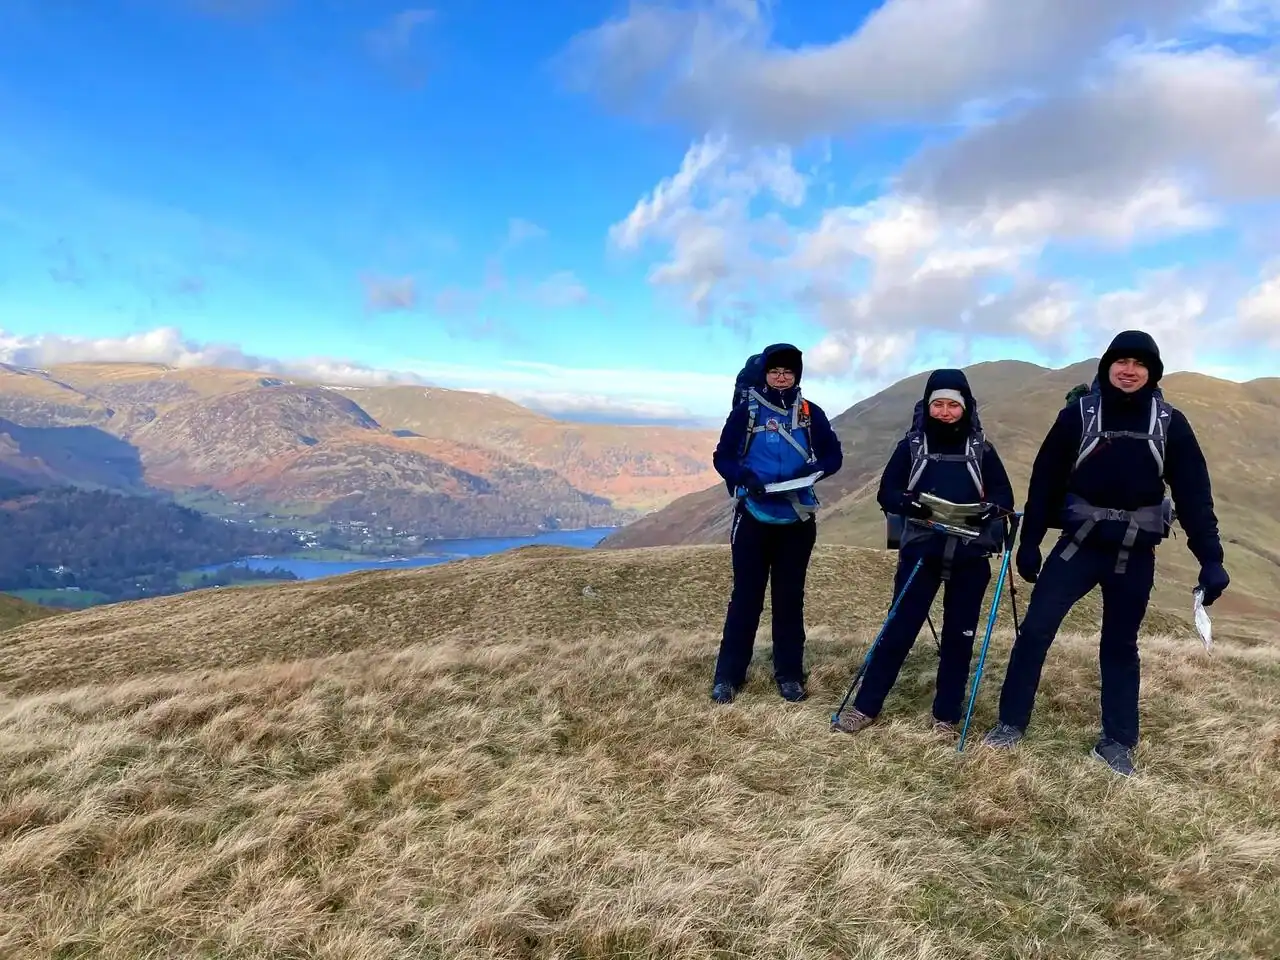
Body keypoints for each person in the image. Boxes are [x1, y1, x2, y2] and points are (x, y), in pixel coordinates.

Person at [982, 330, 1230, 776]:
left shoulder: (1170, 424)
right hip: (1078, 547)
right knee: (1035, 631)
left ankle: (1117, 742)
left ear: (1152, 372)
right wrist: (1030, 542)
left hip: (1133, 554)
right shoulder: (1078, 416)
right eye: (1121, 362)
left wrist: (1211, 559)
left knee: (1120, 645)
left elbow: (1194, 495)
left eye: (1140, 364)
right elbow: (1045, 480)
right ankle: (1010, 724)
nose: (1129, 371)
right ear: (1107, 367)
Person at [832, 369, 1015, 736]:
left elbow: (1004, 498)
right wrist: (910, 503)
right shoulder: (912, 446)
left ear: (966, 408)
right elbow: (887, 492)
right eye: (938, 404)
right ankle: (865, 707)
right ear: (927, 406)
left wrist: (988, 511)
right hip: (921, 553)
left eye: (952, 405)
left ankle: (946, 716)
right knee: (898, 630)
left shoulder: (981, 449)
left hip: (969, 557)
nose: (945, 412)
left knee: (959, 637)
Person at [709, 343, 843, 704]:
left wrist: (816, 470)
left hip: (796, 518)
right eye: (775, 371)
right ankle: (728, 677)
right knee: (746, 598)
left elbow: (833, 455)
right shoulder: (746, 412)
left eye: (788, 371)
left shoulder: (811, 413)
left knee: (789, 598)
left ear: (797, 375)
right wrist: (744, 476)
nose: (781, 377)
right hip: (754, 515)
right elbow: (722, 457)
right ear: (765, 374)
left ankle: (790, 676)